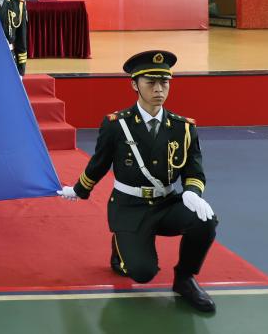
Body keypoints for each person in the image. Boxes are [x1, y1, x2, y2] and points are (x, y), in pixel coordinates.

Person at [57, 51, 218, 313]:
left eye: (164, 82)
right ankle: (120, 247)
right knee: (142, 273)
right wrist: (78, 190)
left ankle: (185, 279)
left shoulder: (183, 128)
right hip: (130, 206)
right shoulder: (116, 125)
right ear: (134, 84)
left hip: (166, 203)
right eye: (150, 83)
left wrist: (191, 192)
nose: (158, 89)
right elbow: (99, 163)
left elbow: (194, 170)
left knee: (205, 221)